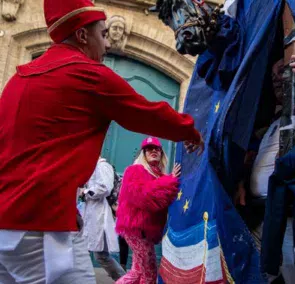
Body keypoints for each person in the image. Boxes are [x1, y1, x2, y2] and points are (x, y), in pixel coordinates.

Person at [0, 0, 204, 282]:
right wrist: (191, 131)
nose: (107, 44)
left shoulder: (18, 80)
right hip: (39, 227)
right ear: (83, 35)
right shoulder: (88, 75)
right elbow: (146, 113)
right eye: (103, 34)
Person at [235, 52, 295, 283]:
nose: (277, 79)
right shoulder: (272, 123)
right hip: (261, 214)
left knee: (292, 274)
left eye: (283, 72)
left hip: (288, 214)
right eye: (274, 75)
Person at [115, 137, 182, 284]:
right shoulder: (134, 170)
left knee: (137, 272)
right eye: (148, 149)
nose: (153, 151)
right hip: (136, 229)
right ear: (143, 154)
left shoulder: (159, 176)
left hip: (145, 231)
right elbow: (144, 196)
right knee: (150, 275)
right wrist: (170, 180)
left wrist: (168, 180)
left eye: (157, 149)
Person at [82, 157, 126, 280]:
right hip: (93, 215)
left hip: (101, 215)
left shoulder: (102, 166)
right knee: (91, 252)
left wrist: (85, 192)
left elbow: (105, 188)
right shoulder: (93, 167)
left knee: (101, 255)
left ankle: (125, 280)